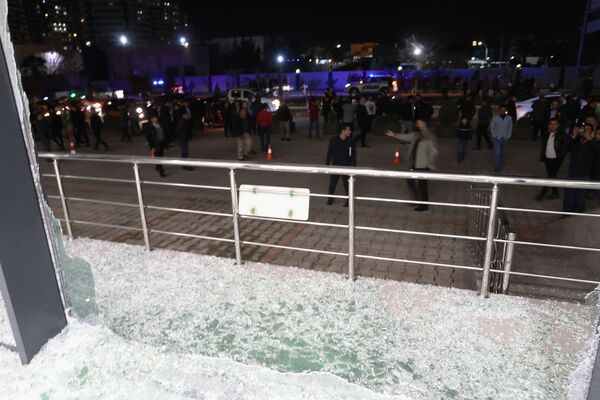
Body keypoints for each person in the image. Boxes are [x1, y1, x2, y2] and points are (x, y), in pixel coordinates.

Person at [384, 120, 438, 211]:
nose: (418, 125)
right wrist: (394, 135)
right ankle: (416, 199)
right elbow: (405, 137)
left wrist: (431, 163)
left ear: (425, 124)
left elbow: (433, 151)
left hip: (423, 164)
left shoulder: (430, 137)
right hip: (413, 163)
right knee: (410, 180)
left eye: (420, 123)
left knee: (422, 185)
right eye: (417, 123)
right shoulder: (416, 135)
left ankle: (424, 205)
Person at [563, 124, 596, 213]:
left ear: (591, 132)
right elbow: (565, 148)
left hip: (584, 175)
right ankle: (566, 215)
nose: (585, 131)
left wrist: (591, 140)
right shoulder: (576, 142)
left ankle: (580, 216)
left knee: (580, 199)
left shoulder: (593, 143)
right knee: (568, 198)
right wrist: (573, 136)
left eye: (588, 130)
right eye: (583, 129)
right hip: (572, 174)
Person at [536, 118, 569, 201]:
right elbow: (544, 146)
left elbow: (567, 147)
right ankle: (555, 193)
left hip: (557, 159)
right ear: (548, 125)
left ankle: (543, 193)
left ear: (558, 125)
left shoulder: (562, 135)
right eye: (551, 124)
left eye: (555, 124)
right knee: (552, 175)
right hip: (548, 157)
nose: (553, 126)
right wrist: (542, 159)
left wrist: (561, 155)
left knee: (550, 176)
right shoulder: (546, 133)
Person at [325, 125, 356, 206]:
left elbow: (353, 154)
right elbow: (329, 153)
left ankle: (348, 200)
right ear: (343, 131)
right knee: (332, 183)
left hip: (346, 166)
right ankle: (330, 199)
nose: (350, 131)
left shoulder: (351, 141)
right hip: (336, 165)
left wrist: (354, 167)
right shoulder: (333, 140)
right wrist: (327, 165)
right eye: (348, 130)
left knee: (347, 184)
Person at [490, 105, 513, 173]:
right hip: (497, 138)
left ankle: (499, 163)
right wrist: (494, 135)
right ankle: (497, 168)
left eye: (504, 109)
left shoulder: (509, 118)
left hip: (505, 138)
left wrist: (508, 136)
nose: (503, 111)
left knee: (501, 153)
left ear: (506, 110)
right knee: (497, 153)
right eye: (501, 109)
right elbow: (492, 127)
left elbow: (510, 127)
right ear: (499, 110)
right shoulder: (495, 118)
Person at [143, 113, 167, 177]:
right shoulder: (149, 127)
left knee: (160, 156)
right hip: (155, 144)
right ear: (151, 120)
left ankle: (157, 167)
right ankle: (161, 172)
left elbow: (165, 134)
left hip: (161, 143)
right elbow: (148, 138)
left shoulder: (161, 125)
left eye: (156, 118)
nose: (155, 119)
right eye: (154, 118)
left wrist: (166, 143)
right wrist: (152, 147)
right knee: (159, 157)